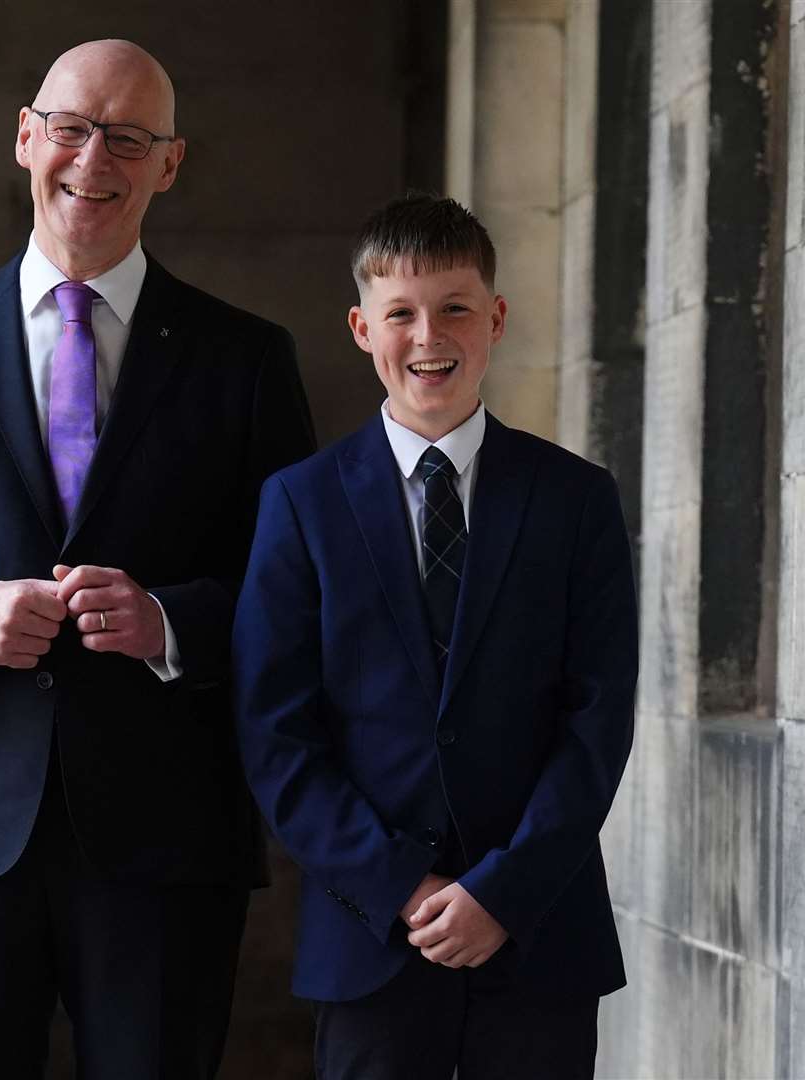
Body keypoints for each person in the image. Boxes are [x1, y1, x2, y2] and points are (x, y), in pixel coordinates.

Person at [0, 38, 316, 1079]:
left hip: (163, 828)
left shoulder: (244, 358)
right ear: (26, 138)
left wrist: (168, 621)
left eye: (128, 137)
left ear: (168, 163)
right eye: (74, 128)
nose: (95, 157)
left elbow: (299, 592)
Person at [232, 193, 637, 1079]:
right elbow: (275, 733)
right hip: (371, 934)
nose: (428, 336)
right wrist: (397, 887)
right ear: (359, 327)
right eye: (401, 314)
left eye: (455, 307)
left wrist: (502, 890)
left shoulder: (574, 499)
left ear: (494, 318)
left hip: (538, 932)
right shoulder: (298, 504)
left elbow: (597, 721)